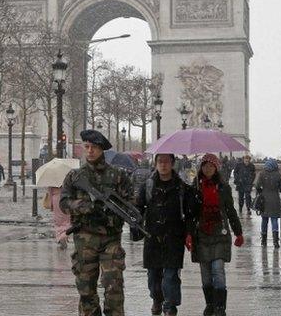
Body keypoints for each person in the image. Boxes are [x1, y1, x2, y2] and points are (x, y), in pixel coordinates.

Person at [60, 130, 132, 316]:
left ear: (102, 150)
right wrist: (87, 206)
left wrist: (114, 213)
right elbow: (63, 203)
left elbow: (130, 204)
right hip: (85, 239)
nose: (90, 151)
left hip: (111, 239)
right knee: (86, 290)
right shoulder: (74, 176)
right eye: (87, 147)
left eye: (94, 147)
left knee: (113, 287)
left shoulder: (118, 176)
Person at [136, 153, 196, 316]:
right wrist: (136, 226)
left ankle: (170, 306)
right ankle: (157, 299)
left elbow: (191, 213)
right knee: (153, 276)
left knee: (171, 276)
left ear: (172, 164)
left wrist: (189, 233)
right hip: (152, 236)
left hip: (174, 236)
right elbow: (138, 209)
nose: (163, 165)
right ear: (155, 163)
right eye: (160, 161)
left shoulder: (183, 188)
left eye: (167, 161)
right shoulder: (147, 186)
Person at [191, 153, 243, 316]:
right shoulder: (195, 188)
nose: (208, 169)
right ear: (201, 168)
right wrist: (187, 233)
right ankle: (210, 303)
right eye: (205, 166)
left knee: (218, 270)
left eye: (211, 166)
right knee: (206, 274)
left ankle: (220, 307)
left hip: (220, 232)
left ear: (216, 168)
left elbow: (230, 211)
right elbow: (190, 212)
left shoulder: (223, 187)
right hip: (201, 233)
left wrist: (238, 232)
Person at [255, 159, 281, 248]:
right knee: (274, 219)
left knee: (264, 219)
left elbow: (257, 186)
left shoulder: (262, 174)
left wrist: (261, 191)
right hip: (275, 199)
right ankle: (276, 240)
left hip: (264, 199)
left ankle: (264, 240)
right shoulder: (279, 175)